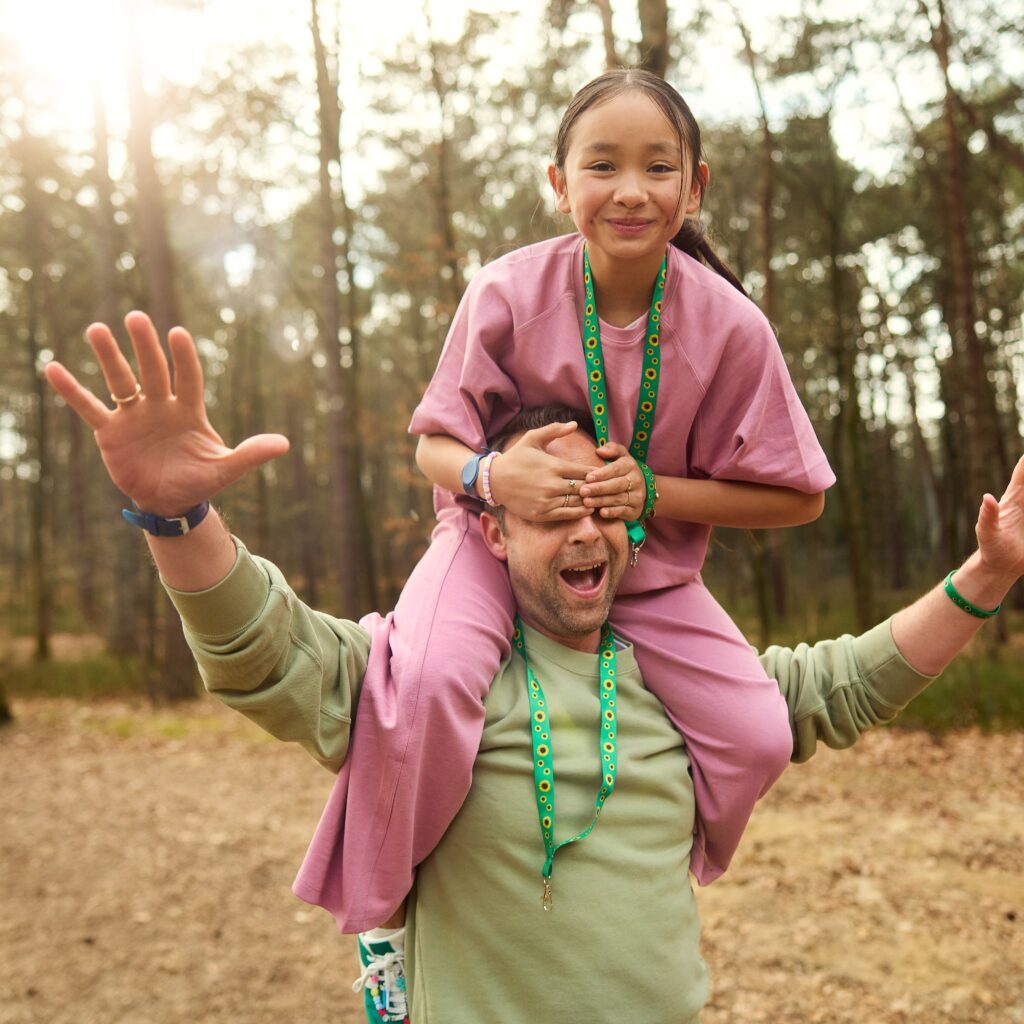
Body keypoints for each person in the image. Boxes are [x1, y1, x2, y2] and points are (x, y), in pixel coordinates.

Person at [44, 319, 1021, 1020]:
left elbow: (845, 684)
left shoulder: (684, 675)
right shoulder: (419, 678)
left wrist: (984, 575)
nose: (587, 524)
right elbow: (266, 646)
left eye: (601, 497)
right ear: (493, 528)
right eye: (553, 502)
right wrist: (179, 521)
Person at [300, 69, 836, 997]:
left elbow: (799, 499)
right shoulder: (507, 290)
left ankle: (634, 865)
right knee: (423, 683)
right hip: (490, 541)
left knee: (758, 733)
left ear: (694, 186)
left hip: (648, 569)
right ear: (559, 182)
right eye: (602, 165)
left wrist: (656, 494)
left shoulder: (732, 326)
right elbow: (432, 440)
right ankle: (386, 917)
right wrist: (487, 475)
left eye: (657, 167)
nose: (630, 189)